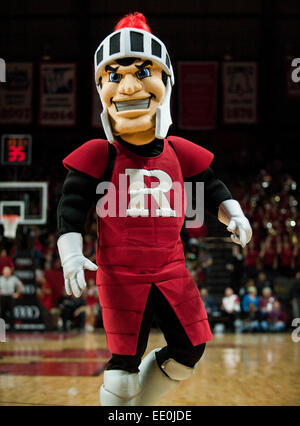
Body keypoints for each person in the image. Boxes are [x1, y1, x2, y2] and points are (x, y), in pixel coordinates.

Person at [56, 12, 252, 406]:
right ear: (101, 89)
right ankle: (121, 404)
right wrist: (71, 254)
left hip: (171, 270)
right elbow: (71, 206)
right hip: (121, 273)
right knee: (122, 373)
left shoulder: (179, 151)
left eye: (143, 71)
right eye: (114, 76)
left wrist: (236, 214)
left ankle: (137, 410)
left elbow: (211, 187)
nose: (128, 86)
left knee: (189, 353)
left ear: (165, 82)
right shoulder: (100, 154)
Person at [0, 266, 23, 331]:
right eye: (5, 271)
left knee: (12, 313)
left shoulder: (14, 278)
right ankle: (1, 329)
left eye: (8, 271)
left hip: (10, 297)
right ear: (3, 272)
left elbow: (21, 286)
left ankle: (12, 328)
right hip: (3, 297)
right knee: (2, 313)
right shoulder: (0, 278)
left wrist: (17, 294)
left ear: (10, 272)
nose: (6, 273)